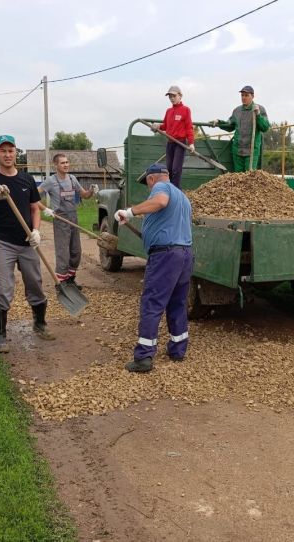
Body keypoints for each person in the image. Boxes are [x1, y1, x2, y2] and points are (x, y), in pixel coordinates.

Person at [0, 135, 56, 353]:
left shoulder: (27, 180)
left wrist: (36, 230)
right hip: (2, 242)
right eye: (3, 151)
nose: (7, 155)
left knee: (35, 284)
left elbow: (35, 207)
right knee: (3, 288)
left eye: (11, 150)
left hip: (27, 242)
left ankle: (40, 324)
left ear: (15, 152)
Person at [114, 163, 194, 373]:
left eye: (147, 185)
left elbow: (159, 202)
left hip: (166, 256)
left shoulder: (162, 188)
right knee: (177, 303)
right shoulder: (182, 196)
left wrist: (130, 211)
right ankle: (178, 350)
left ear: (152, 179)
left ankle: (144, 357)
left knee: (152, 303)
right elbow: (165, 218)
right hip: (184, 254)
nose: (149, 190)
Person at [39, 153, 97, 288]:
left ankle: (71, 279)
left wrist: (91, 191)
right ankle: (61, 282)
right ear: (56, 165)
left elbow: (84, 195)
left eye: (67, 162)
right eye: (63, 163)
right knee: (63, 252)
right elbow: (34, 195)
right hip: (60, 219)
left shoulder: (72, 179)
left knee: (76, 251)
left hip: (73, 218)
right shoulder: (50, 181)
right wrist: (45, 209)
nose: (66, 165)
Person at [212, 85, 270, 172]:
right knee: (238, 178)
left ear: (252, 96)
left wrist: (258, 114)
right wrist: (219, 122)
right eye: (242, 95)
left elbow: (265, 127)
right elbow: (230, 125)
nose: (244, 97)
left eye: (246, 95)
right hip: (237, 150)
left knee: (249, 177)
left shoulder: (259, 109)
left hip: (251, 151)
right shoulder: (237, 110)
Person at [150, 85, 195, 189]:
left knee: (176, 169)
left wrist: (191, 143)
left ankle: (176, 191)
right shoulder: (168, 111)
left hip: (180, 143)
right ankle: (170, 190)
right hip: (170, 143)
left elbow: (189, 127)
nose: (172, 98)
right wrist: (157, 126)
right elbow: (165, 125)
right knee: (169, 169)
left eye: (174, 96)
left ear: (180, 96)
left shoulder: (186, 110)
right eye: (170, 96)